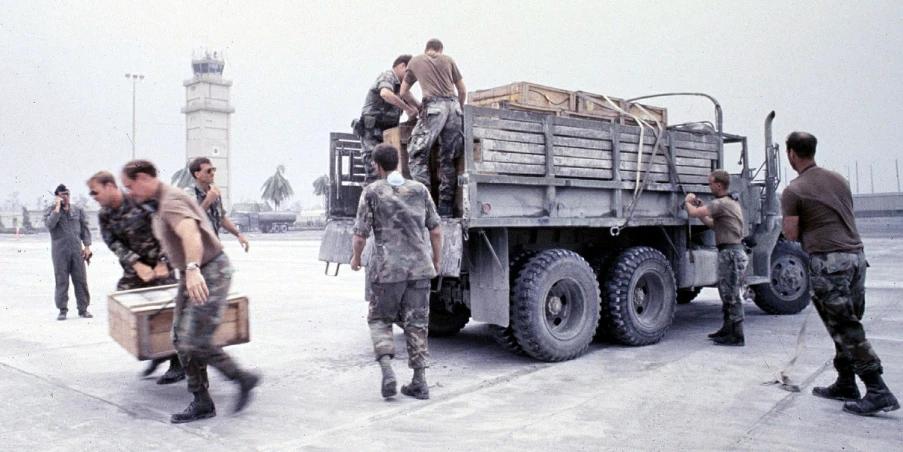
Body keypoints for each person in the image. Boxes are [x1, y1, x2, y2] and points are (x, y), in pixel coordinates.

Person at [120, 159, 260, 424]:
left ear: (142, 179)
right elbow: (173, 238)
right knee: (179, 338)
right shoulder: (160, 203)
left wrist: (193, 268)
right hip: (192, 273)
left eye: (130, 186)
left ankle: (242, 379)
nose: (130, 192)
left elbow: (190, 234)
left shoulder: (171, 200)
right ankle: (202, 400)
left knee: (194, 341)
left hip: (209, 271)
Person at [781, 131, 898, 416]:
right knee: (845, 323)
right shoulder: (839, 179)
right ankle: (846, 382)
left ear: (792, 154)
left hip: (829, 262)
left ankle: (878, 389)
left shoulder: (793, 190)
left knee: (846, 328)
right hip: (857, 258)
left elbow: (792, 234)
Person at [350, 144, 442, 400]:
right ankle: (420, 382)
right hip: (420, 268)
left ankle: (387, 369)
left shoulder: (372, 192)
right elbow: (435, 230)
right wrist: (437, 261)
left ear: (377, 166)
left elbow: (360, 236)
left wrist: (356, 259)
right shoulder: (419, 189)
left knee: (380, 319)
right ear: (399, 162)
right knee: (417, 323)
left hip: (387, 270)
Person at [87, 170, 185, 385]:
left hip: (162, 265)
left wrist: (164, 262)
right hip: (136, 269)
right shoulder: (105, 215)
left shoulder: (140, 201)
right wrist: (137, 265)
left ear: (110, 186)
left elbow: (168, 231)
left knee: (169, 312)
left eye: (95, 191)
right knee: (125, 303)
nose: (93, 196)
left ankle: (177, 362)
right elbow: (114, 243)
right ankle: (157, 352)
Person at [399, 38, 467, 217]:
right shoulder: (449, 60)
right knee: (448, 158)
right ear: (440, 50)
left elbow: (403, 92)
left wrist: (418, 107)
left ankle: (425, 205)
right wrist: (459, 109)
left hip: (433, 107)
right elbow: (462, 90)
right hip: (453, 109)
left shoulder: (415, 61)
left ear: (426, 49)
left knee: (416, 154)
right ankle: (445, 207)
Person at [685, 170, 748, 346]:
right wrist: (703, 209)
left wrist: (688, 201)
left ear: (719, 185)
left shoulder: (720, 203)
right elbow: (713, 224)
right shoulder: (727, 203)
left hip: (731, 254)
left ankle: (737, 335)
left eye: (710, 183)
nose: (709, 186)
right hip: (731, 252)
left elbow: (693, 213)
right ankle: (728, 329)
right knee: (727, 293)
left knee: (732, 295)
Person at [355, 54, 419, 185]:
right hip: (372, 134)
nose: (412, 79)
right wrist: (407, 108)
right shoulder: (388, 76)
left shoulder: (401, 87)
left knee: (389, 177)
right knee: (374, 173)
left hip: (387, 136)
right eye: (411, 73)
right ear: (402, 66)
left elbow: (413, 102)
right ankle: (368, 204)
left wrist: (419, 109)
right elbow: (385, 94)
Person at [43, 184, 92, 320]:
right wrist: (57, 209)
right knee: (61, 280)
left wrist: (87, 246)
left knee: (81, 280)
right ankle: (62, 310)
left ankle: (83, 309)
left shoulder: (77, 210)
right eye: (62, 194)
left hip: (76, 250)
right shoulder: (50, 211)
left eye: (67, 194)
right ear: (57, 196)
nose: (66, 196)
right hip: (60, 252)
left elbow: (85, 229)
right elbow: (49, 225)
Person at [187, 157, 249, 251]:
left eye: (213, 170)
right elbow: (192, 220)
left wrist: (238, 234)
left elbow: (221, 218)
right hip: (196, 248)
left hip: (213, 246)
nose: (212, 173)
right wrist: (208, 200)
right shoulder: (190, 193)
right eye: (208, 171)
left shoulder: (214, 192)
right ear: (197, 174)